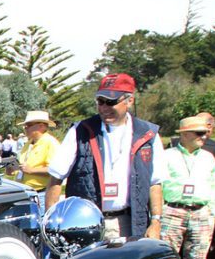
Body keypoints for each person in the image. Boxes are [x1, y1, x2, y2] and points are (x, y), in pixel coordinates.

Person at [45, 73, 167, 242]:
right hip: (86, 223)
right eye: (100, 102)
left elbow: (155, 183)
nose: (104, 108)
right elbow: (55, 178)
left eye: (111, 102)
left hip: (130, 223)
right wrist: (51, 223)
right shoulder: (80, 131)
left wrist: (156, 221)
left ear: (129, 101)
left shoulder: (147, 134)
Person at [159, 116, 215, 259]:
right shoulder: (167, 156)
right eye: (199, 133)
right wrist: (160, 211)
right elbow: (157, 184)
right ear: (184, 134)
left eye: (205, 133)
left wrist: (213, 212)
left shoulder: (208, 158)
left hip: (201, 212)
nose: (204, 137)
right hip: (172, 211)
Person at [13, 111, 60, 192]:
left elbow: (56, 169)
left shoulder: (50, 143)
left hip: (41, 192)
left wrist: (31, 170)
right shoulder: (28, 143)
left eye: (29, 125)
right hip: (24, 190)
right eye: (25, 126)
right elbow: (23, 166)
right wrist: (13, 170)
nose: (25, 128)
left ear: (41, 126)